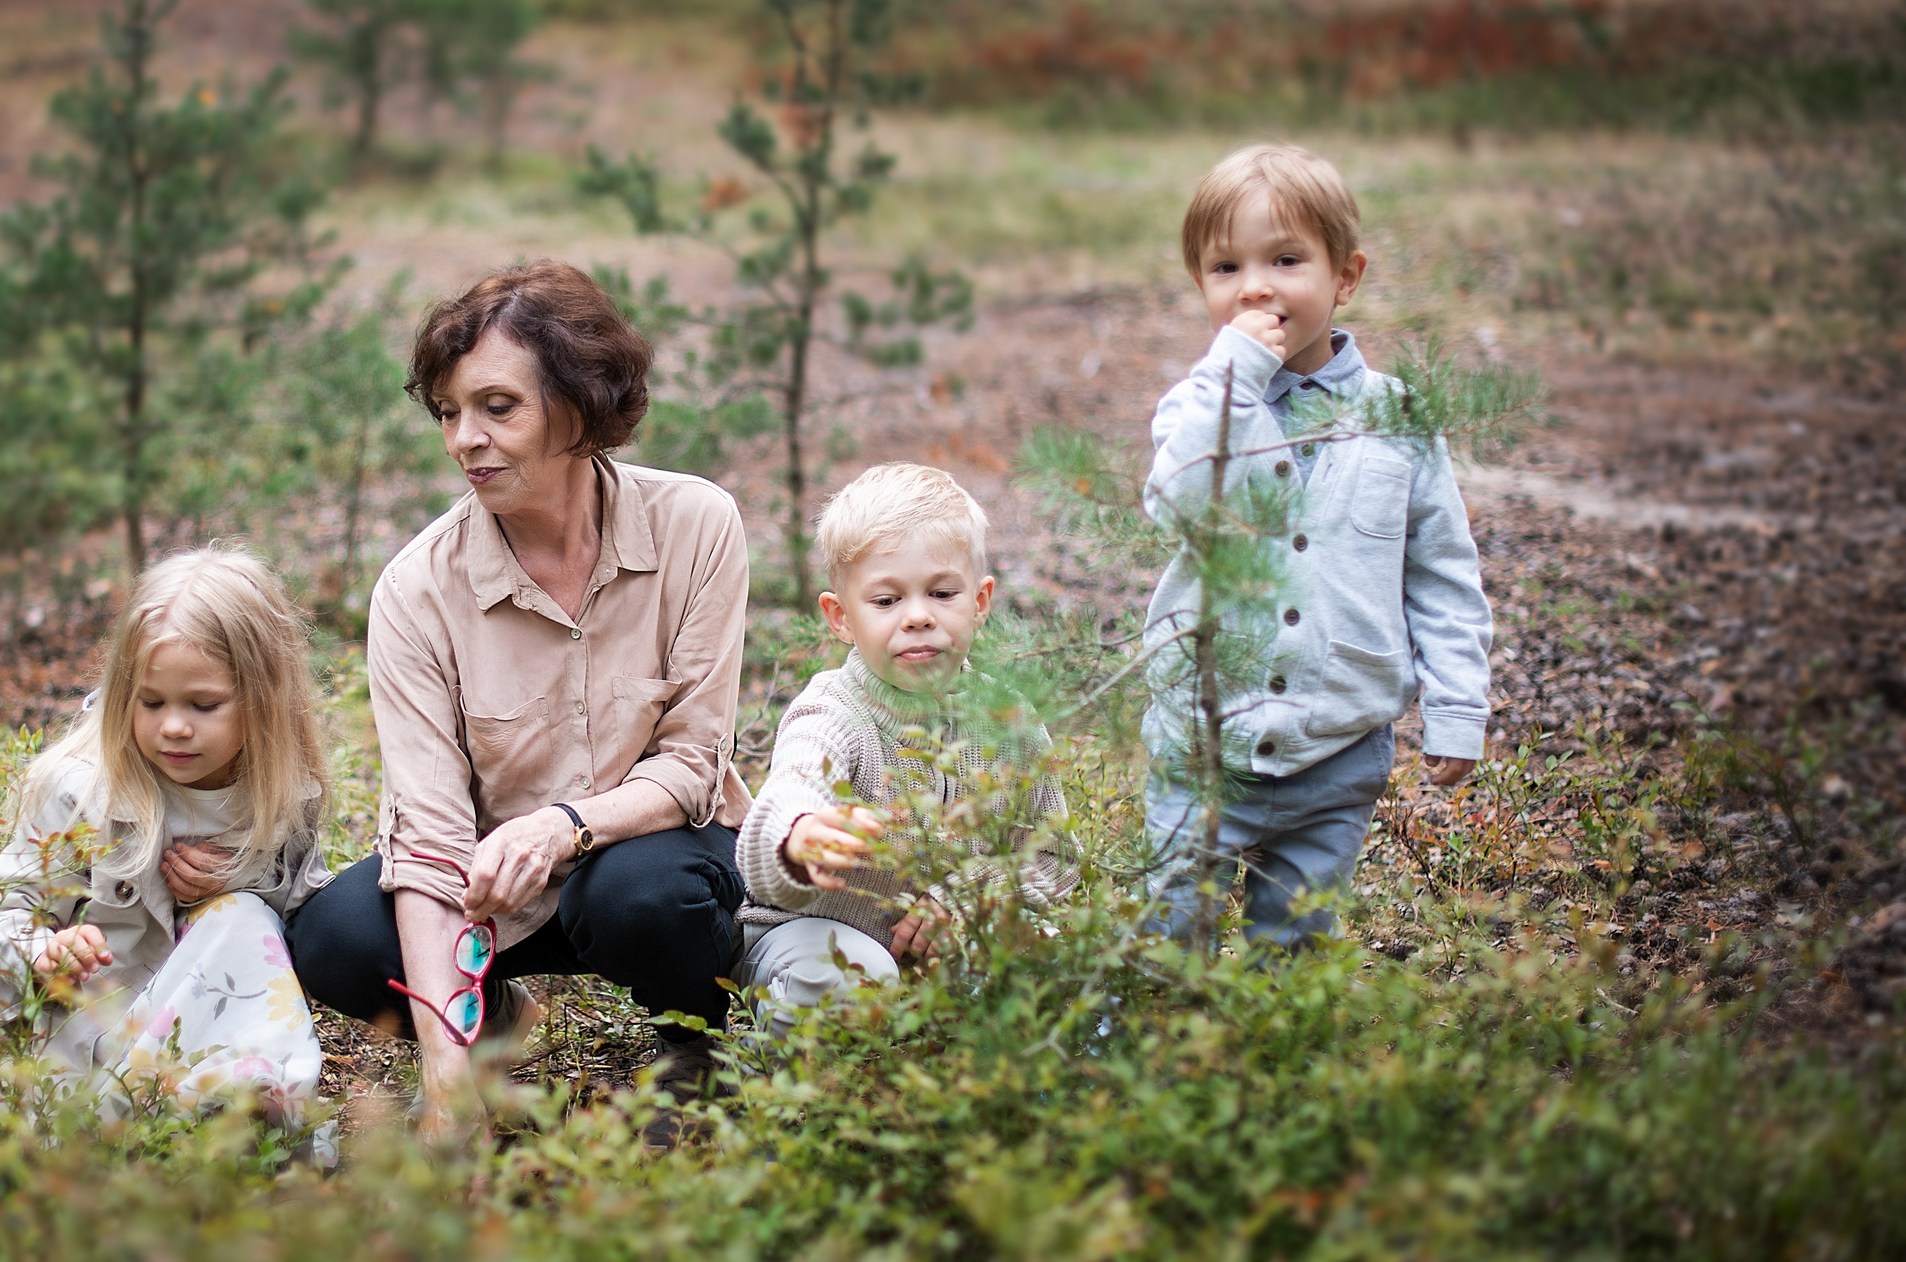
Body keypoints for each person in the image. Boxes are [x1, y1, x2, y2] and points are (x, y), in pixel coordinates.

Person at [284, 261, 751, 1139]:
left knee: (638, 894)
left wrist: (562, 826)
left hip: (649, 861)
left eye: (498, 407)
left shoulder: (697, 525)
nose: (465, 437)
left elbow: (693, 767)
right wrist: (447, 1068)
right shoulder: (417, 590)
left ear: (580, 407)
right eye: (451, 412)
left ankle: (693, 1043)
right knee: (336, 935)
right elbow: (428, 841)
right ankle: (494, 1038)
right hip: (494, 896)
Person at [1140, 143, 1493, 947]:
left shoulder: (1398, 417)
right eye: (1225, 267)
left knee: (1294, 941)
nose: (1255, 285)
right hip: (1203, 742)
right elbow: (1175, 506)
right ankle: (1143, 1051)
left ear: (1346, 277)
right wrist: (1235, 374)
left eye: (1286, 259)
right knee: (1166, 934)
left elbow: (1440, 572)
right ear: (1202, 286)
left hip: (1337, 750)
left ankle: (1273, 1062)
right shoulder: (1194, 408)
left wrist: (1457, 704)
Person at [0, 547, 331, 1125]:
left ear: (264, 699)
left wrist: (242, 879)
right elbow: (1, 912)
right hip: (78, 1040)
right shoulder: (81, 789)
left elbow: (305, 915)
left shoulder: (280, 792)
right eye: (151, 702)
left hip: (185, 1033)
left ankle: (252, 1104)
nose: (174, 726)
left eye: (203, 704)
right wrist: (45, 950)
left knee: (243, 918)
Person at [735, 464, 1070, 1036]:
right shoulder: (833, 712)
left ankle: (1014, 1086)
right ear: (841, 617)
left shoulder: (1009, 719)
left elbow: (1051, 857)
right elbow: (790, 789)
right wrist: (798, 838)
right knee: (845, 982)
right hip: (815, 937)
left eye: (942, 593)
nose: (918, 615)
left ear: (980, 601)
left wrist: (973, 894)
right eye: (887, 600)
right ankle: (798, 1086)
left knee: (1058, 958)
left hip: (953, 933)